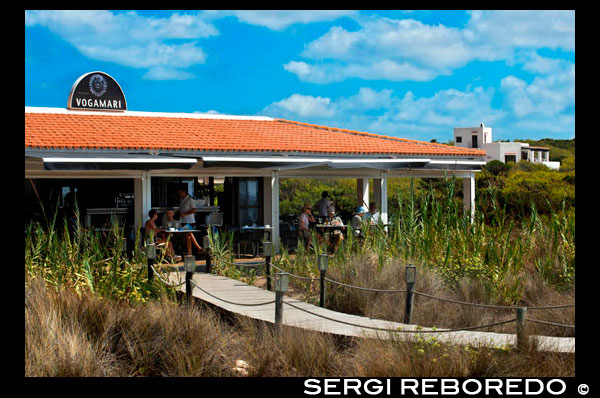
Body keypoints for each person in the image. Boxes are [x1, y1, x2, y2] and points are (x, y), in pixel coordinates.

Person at [177, 187, 204, 255]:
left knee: (189, 234)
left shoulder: (190, 199)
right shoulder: (181, 199)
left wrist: (185, 213)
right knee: (187, 235)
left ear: (184, 192)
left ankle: (196, 248)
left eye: (180, 192)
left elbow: (194, 210)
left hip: (190, 221)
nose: (179, 194)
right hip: (182, 220)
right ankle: (190, 251)